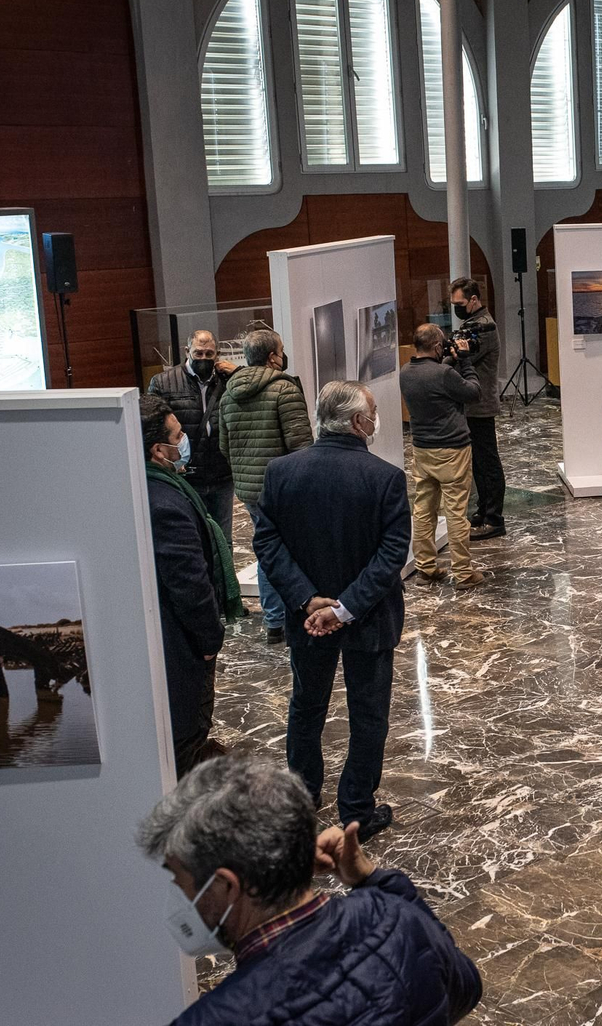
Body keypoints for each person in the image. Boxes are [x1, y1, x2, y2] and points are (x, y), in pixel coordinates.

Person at [137, 756, 481, 1023]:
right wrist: (372, 879)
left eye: (176, 876)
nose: (176, 892)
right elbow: (466, 986)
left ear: (227, 885)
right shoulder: (399, 921)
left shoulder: (213, 1018)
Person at [254, 381, 410, 841]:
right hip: (369, 618)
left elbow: (266, 541)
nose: (378, 418)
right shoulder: (385, 478)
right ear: (360, 423)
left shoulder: (281, 472)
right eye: (375, 411)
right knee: (368, 714)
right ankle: (357, 811)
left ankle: (301, 799)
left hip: (306, 618)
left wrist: (308, 599)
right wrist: (344, 609)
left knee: (306, 705)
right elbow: (391, 555)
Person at [141, 395, 242, 778]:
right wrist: (209, 639)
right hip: (182, 647)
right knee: (188, 730)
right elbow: (189, 583)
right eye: (178, 434)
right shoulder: (165, 503)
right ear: (158, 449)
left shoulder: (146, 490)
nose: (184, 441)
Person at [219, 328, 314, 644]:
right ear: (274, 356)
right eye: (281, 350)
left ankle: (274, 621)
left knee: (267, 551)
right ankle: (293, 618)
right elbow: (301, 446)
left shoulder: (229, 393)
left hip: (249, 489)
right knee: (291, 553)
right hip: (283, 490)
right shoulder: (284, 391)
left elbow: (224, 444)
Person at [399, 322, 483, 589]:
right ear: (437, 346)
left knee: (423, 509)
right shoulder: (445, 373)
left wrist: (448, 360)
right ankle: (463, 573)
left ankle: (425, 568)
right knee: (456, 512)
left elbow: (433, 375)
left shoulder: (405, 372)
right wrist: (466, 362)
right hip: (453, 450)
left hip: (422, 450)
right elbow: (473, 392)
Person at [149, 328, 237, 551]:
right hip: (187, 473)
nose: (204, 359)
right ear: (187, 351)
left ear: (217, 353)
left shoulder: (227, 380)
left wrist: (239, 372)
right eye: (199, 353)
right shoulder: (164, 382)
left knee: (223, 540)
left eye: (209, 354)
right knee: (192, 538)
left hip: (221, 473)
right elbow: (151, 425)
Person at [452, 277, 507, 540]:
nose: (457, 308)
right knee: (478, 463)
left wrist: (453, 353)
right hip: (472, 405)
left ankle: (495, 519)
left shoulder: (483, 327)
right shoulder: (472, 323)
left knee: (488, 462)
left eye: (460, 303)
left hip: (481, 404)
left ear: (474, 300)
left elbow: (460, 357)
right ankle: (484, 511)